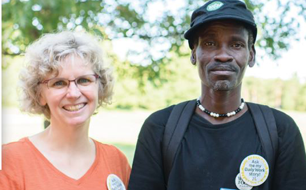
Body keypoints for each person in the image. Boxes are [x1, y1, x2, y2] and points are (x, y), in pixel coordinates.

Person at [128, 0, 306, 190]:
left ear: (251, 55)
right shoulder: (160, 128)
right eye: (210, 43)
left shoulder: (280, 131)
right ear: (194, 54)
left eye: (236, 45)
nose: (223, 55)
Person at [0, 31, 131, 190]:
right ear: (39, 94)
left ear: (100, 87)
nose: (74, 93)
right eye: (59, 83)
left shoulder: (116, 161)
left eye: (84, 80)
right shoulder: (9, 161)